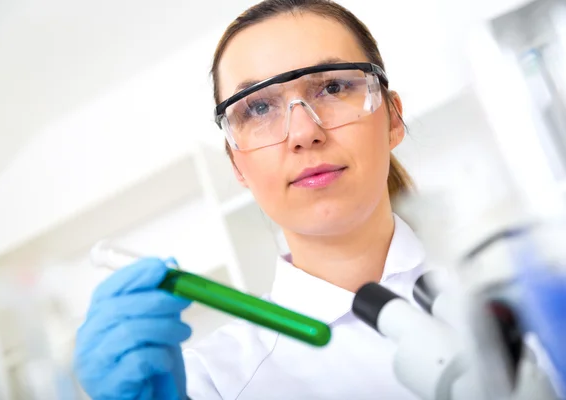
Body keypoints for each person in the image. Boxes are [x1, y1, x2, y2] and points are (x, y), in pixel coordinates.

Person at [74, 0, 427, 398]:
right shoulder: (211, 382)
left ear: (393, 119)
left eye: (332, 87)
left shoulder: (503, 267)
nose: (303, 132)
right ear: (238, 165)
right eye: (259, 108)